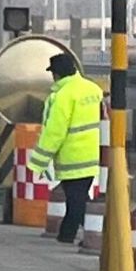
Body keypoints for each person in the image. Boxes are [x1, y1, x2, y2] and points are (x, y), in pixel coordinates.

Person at [27, 51, 103, 244]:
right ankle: (71, 234)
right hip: (93, 155)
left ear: (56, 74)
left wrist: (38, 162)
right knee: (79, 197)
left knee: (76, 200)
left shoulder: (62, 96)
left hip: (72, 158)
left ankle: (87, 234)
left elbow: (54, 132)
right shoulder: (93, 89)